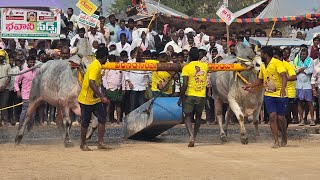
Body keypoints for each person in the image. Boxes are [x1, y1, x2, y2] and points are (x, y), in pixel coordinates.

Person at [244, 46, 288, 148]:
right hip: (268, 95)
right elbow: (260, 80)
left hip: (280, 95)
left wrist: (283, 89)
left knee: (281, 118)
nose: (260, 56)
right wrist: (250, 85)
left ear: (265, 54)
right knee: (272, 116)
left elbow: (284, 76)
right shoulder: (263, 66)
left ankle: (284, 134)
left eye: (261, 54)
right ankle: (276, 141)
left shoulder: (277, 63)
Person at [78, 47, 110, 151]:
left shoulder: (97, 65)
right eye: (106, 58)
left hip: (95, 99)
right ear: (104, 57)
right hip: (86, 99)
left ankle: (100, 143)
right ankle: (82, 144)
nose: (107, 60)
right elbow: (91, 83)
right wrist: (102, 96)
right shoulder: (95, 66)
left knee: (102, 119)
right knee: (85, 123)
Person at [178, 47, 208, 147]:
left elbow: (185, 84)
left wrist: (180, 97)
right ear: (199, 56)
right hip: (201, 95)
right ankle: (194, 136)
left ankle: (190, 136)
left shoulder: (186, 67)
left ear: (189, 56)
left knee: (187, 116)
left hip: (190, 95)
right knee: (198, 117)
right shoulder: (205, 66)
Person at [14, 56, 37, 130]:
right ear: (27, 62)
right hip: (26, 95)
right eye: (30, 62)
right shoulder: (23, 72)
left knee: (32, 113)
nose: (32, 63)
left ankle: (29, 129)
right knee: (24, 112)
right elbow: (16, 82)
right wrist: (18, 91)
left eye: (33, 62)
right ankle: (20, 128)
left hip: (34, 96)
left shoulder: (37, 71)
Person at [294, 48, 315, 126]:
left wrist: (300, 70)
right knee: (299, 102)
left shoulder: (310, 60)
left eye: (304, 54)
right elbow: (294, 70)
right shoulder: (297, 61)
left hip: (307, 85)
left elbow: (310, 71)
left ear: (307, 55)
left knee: (309, 103)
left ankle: (312, 120)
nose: (302, 56)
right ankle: (301, 120)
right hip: (299, 85)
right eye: (301, 54)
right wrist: (303, 69)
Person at [0, 50, 11, 126]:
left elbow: (9, 77)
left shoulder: (7, 65)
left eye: (2, 56)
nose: (0, 58)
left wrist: (4, 86)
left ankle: (5, 121)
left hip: (5, 89)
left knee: (4, 105)